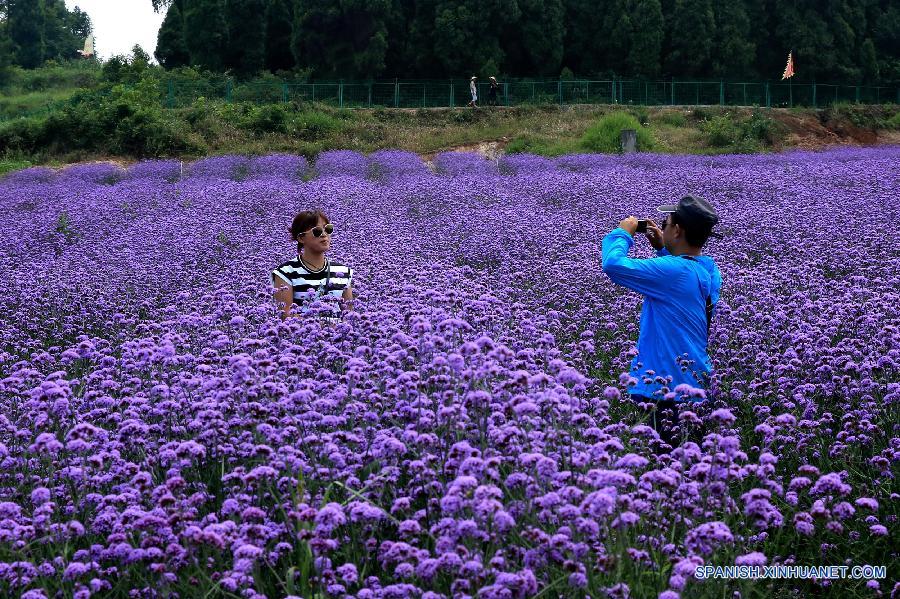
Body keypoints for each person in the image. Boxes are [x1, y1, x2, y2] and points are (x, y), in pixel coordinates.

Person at [601, 195, 723, 450]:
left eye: (666, 223)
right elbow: (681, 277)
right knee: (688, 466)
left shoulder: (672, 271)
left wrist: (623, 233)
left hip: (667, 390)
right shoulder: (709, 271)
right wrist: (664, 249)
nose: (662, 226)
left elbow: (613, 265)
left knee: (664, 471)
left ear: (677, 230)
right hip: (696, 384)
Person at [272, 210, 353, 322]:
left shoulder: (342, 271)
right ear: (301, 238)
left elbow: (349, 314)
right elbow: (285, 315)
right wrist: (324, 327)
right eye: (317, 231)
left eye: (328, 229)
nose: (324, 234)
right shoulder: (286, 272)